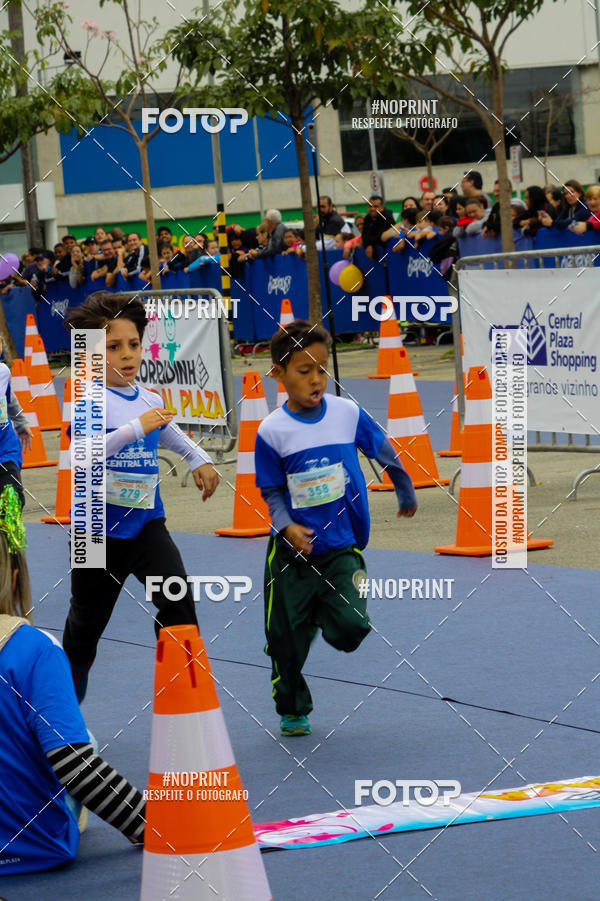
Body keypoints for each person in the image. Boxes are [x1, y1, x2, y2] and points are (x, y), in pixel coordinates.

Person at [255, 320, 417, 736]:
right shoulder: (272, 431)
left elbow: (380, 447)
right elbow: (271, 492)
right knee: (284, 641)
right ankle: (293, 707)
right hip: (293, 556)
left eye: (322, 370)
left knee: (350, 629)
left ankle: (316, 616)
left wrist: (404, 489)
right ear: (279, 374)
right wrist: (286, 525)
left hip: (342, 548)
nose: (316, 379)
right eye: (304, 371)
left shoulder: (345, 413)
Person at [62, 293, 220, 702]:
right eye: (113, 347)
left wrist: (199, 460)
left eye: (133, 344)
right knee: (85, 629)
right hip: (95, 530)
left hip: (147, 524)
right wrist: (135, 427)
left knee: (178, 602)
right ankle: (63, 715)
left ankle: (187, 703)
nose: (127, 355)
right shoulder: (87, 398)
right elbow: (82, 454)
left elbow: (172, 433)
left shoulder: (149, 399)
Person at [0, 485, 146, 873]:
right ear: (15, 577)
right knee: (81, 739)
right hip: (31, 845)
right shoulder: (34, 649)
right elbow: (73, 762)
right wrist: (147, 820)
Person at [0, 336, 32, 508]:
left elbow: (8, 397)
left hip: (5, 449)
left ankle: (8, 534)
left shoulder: (3, 372)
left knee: (12, 500)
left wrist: (20, 424)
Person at [362, 195, 396, 259]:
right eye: (370, 206)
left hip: (389, 254)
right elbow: (364, 236)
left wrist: (369, 243)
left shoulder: (387, 217)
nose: (372, 209)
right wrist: (368, 245)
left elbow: (381, 237)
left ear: (382, 207)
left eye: (376, 206)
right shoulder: (367, 218)